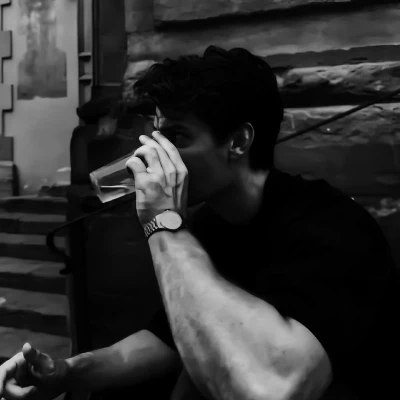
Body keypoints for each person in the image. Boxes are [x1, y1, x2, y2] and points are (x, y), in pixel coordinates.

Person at [0, 45, 398, 400]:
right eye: (155, 135)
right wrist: (68, 373)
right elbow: (165, 341)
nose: (153, 154)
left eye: (176, 137)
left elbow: (271, 389)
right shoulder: (211, 223)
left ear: (238, 142)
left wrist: (163, 224)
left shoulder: (334, 229)